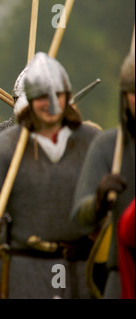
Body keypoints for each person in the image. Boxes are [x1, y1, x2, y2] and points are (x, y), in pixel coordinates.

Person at [0, 52, 101, 299]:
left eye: (56, 95)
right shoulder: (8, 144)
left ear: (67, 98)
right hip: (24, 265)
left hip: (78, 266)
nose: (49, 103)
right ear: (29, 101)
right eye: (40, 97)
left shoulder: (90, 140)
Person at [70, 50, 135, 299]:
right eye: (134, 92)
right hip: (121, 273)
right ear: (124, 96)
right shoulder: (107, 146)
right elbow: (79, 217)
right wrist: (97, 202)